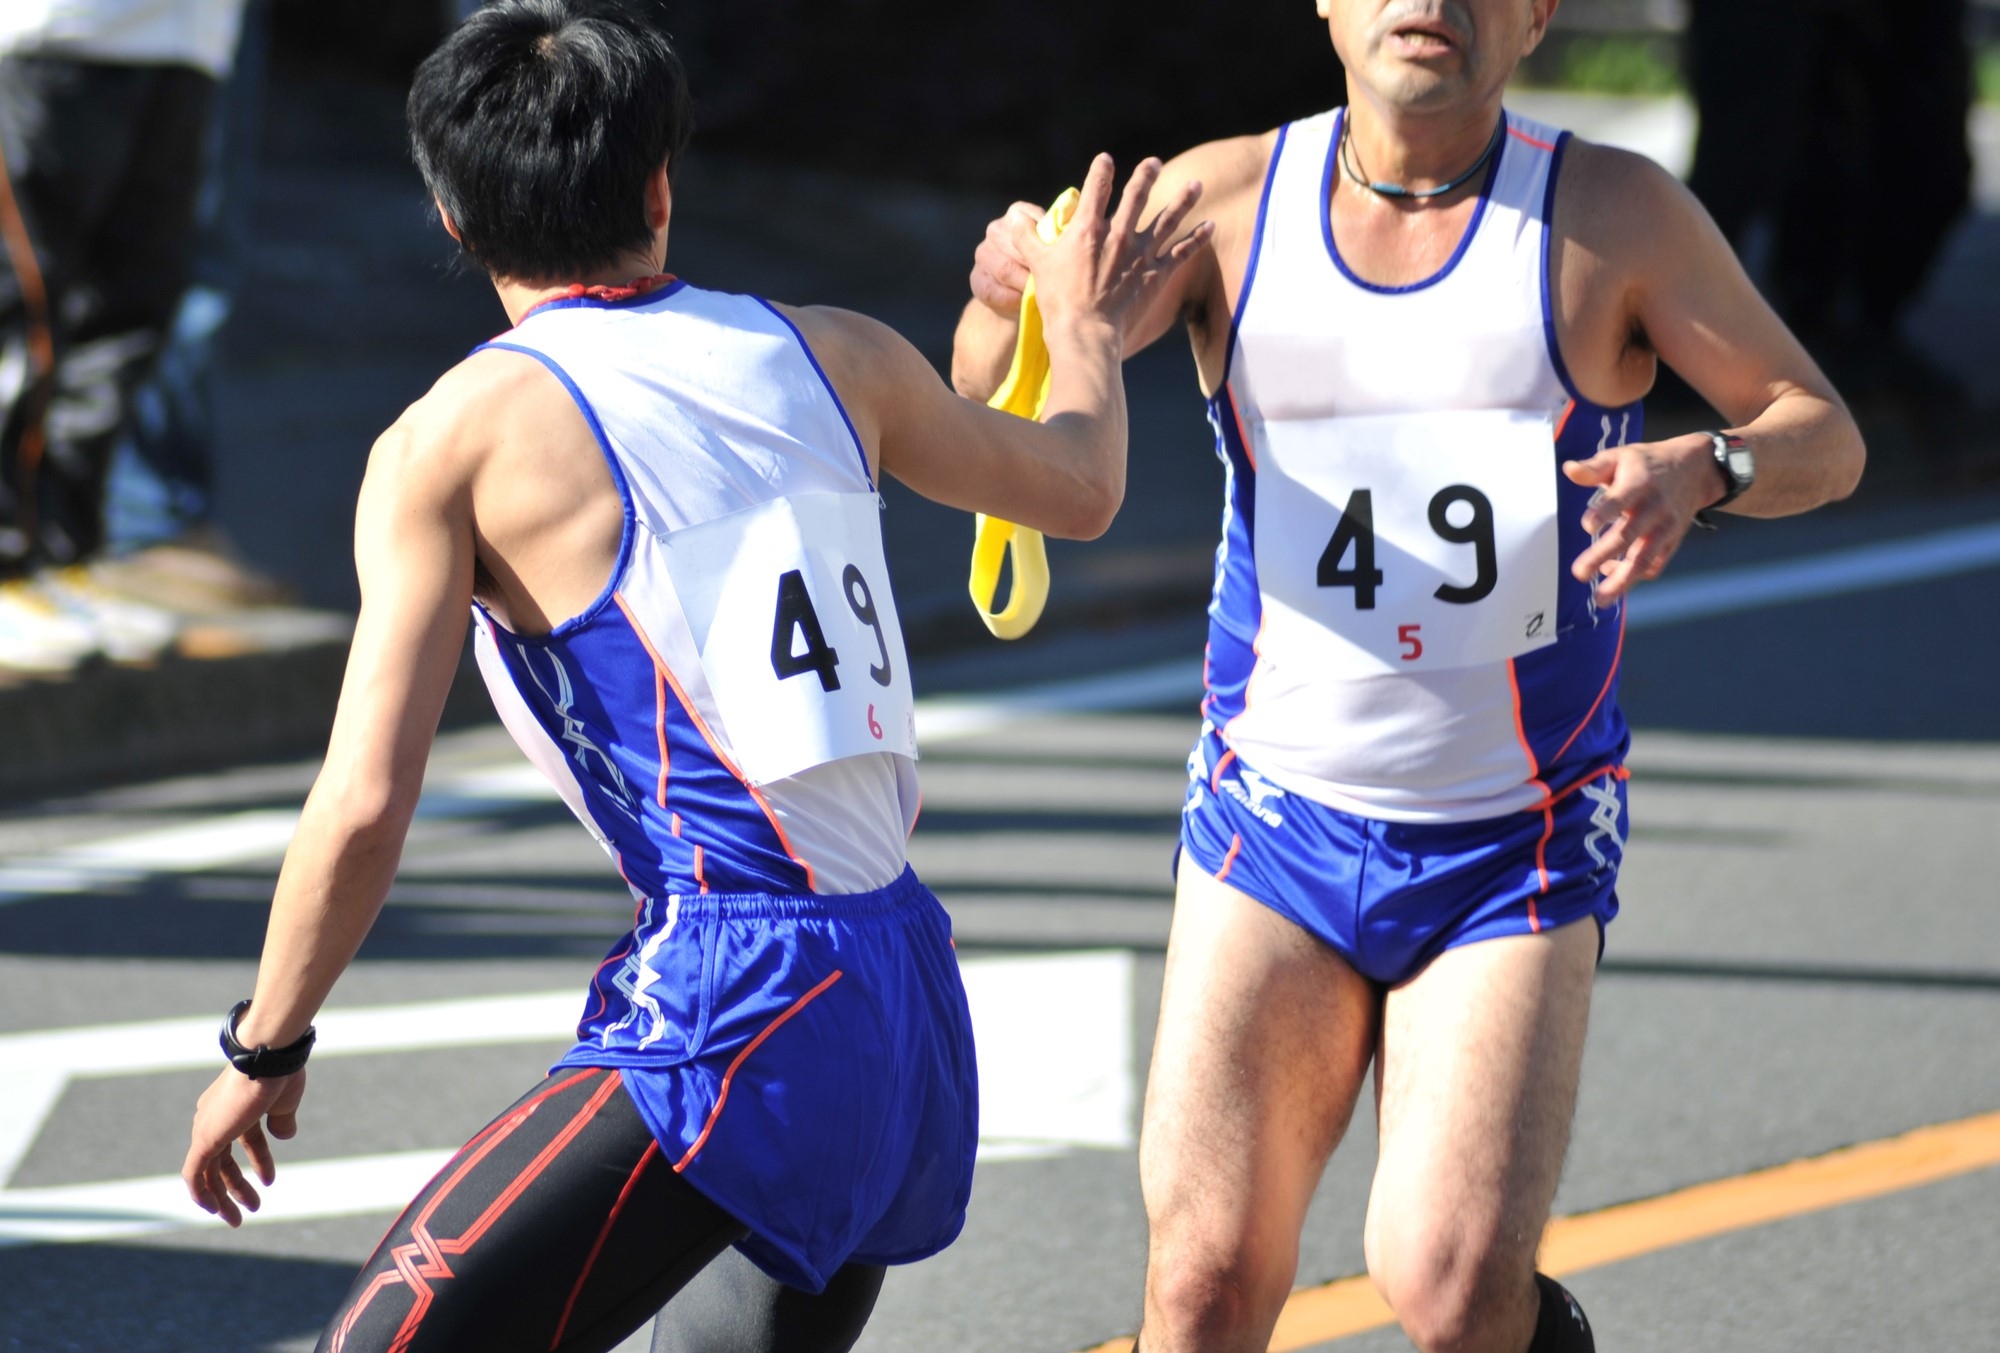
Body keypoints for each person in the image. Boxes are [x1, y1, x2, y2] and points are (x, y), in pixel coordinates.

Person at [177, 3, 1207, 1352]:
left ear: (449, 216)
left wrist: (266, 1044)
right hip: (899, 989)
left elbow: (367, 796)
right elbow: (1078, 485)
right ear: (661, 186)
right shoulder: (839, 351)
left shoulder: (452, 443)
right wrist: (1072, 322)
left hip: (734, 998)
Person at [952, 2, 1865, 1351]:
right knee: (1199, 1288)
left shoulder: (1612, 219)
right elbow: (1005, 402)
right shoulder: (1222, 204)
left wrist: (1707, 467)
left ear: (1538, 12)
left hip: (1514, 842)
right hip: (1273, 824)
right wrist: (1006, 305)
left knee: (1444, 1280)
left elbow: (1822, 433)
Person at [0, 0, 250, 671]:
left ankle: (66, 558)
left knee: (128, 320)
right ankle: (8, 567)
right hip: (53, 31)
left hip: (190, 40)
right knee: (25, 313)